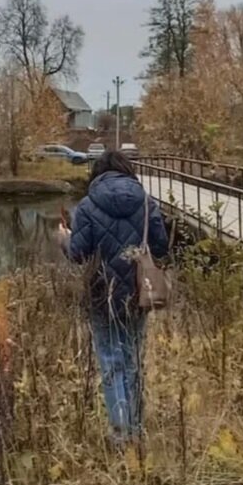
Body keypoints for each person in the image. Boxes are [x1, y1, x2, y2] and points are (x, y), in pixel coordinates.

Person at [58, 151, 169, 446]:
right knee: (133, 358)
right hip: (137, 292)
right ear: (127, 172)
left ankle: (121, 435)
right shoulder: (147, 203)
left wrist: (63, 237)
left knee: (111, 361)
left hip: (100, 295)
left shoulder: (87, 205)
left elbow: (78, 254)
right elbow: (160, 246)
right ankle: (136, 428)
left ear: (97, 175)